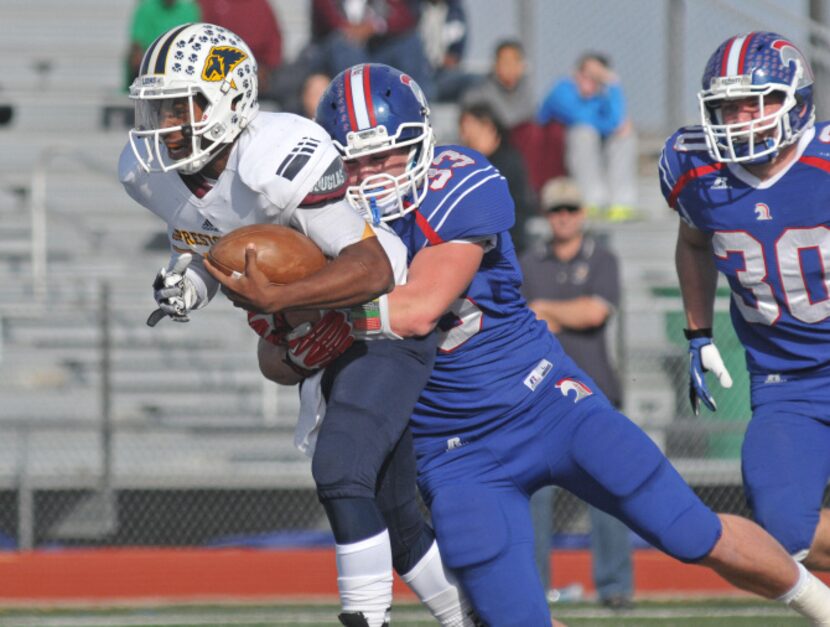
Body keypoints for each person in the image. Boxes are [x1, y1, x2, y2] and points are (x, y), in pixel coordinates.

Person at [210, 63, 830, 627]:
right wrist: (293, 336)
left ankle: (818, 603)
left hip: (548, 405)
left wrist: (308, 304)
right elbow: (276, 361)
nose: (375, 178)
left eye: (391, 157)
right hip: (455, 457)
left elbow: (422, 308)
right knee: (514, 621)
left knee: (689, 531)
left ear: (422, 145)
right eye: (358, 164)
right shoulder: (313, 228)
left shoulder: (460, 181)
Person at [119, 24, 474, 627]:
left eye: (184, 106)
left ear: (230, 98)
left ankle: (367, 619)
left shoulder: (276, 155)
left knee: (339, 470)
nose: (167, 123)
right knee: (397, 515)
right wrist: (194, 283)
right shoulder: (146, 172)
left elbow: (373, 266)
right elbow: (215, 246)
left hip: (377, 324)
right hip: (314, 335)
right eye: (160, 106)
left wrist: (283, 294)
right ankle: (475, 617)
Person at [661, 31, 830, 581]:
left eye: (755, 104)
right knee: (785, 533)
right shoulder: (694, 169)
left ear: (796, 101)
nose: (739, 120)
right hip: (786, 381)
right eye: (726, 107)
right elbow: (693, 242)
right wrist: (698, 333)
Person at [520, 176, 633, 608]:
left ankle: (616, 587)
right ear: (546, 217)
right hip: (539, 400)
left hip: (596, 394)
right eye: (556, 211)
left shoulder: (603, 259)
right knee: (534, 502)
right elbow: (525, 321)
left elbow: (594, 312)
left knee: (609, 498)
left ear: (582, 213)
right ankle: (533, 590)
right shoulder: (530, 263)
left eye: (570, 209)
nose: (563, 218)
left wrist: (548, 310)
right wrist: (558, 314)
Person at [537, 52, 638, 222]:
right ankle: (591, 199)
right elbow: (582, 118)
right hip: (557, 153)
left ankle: (621, 202)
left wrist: (613, 85)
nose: (590, 80)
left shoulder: (602, 95)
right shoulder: (561, 90)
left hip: (596, 144)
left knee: (625, 136)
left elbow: (618, 119)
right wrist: (614, 125)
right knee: (583, 132)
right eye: (586, 74)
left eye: (597, 76)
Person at [306, 0, 435, 100]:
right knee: (344, 45)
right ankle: (360, 104)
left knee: (411, 42)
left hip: (372, 51)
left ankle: (417, 107)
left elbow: (403, 16)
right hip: (331, 52)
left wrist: (374, 26)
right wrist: (354, 31)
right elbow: (331, 21)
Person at [458, 102, 535, 255]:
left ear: (487, 126)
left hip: (506, 247)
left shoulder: (509, 161)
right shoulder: (464, 163)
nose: (463, 135)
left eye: (468, 126)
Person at [198, 0, 283, 99]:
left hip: (259, 68)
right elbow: (205, 39)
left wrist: (266, 69)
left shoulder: (261, 4)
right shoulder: (209, 3)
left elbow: (274, 44)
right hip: (220, 66)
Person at [461, 39, 536, 131]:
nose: (510, 67)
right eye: (506, 62)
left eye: (515, 61)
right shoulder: (479, 94)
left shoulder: (527, 93)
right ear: (495, 65)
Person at [125, 0, 201, 89]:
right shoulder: (146, 8)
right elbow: (137, 43)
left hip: (180, 70)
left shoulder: (190, 9)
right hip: (150, 69)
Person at [418, 0, 478, 103]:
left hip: (443, 73)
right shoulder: (414, 8)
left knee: (475, 82)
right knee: (425, 91)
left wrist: (454, 56)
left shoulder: (455, 11)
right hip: (418, 73)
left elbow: (458, 42)